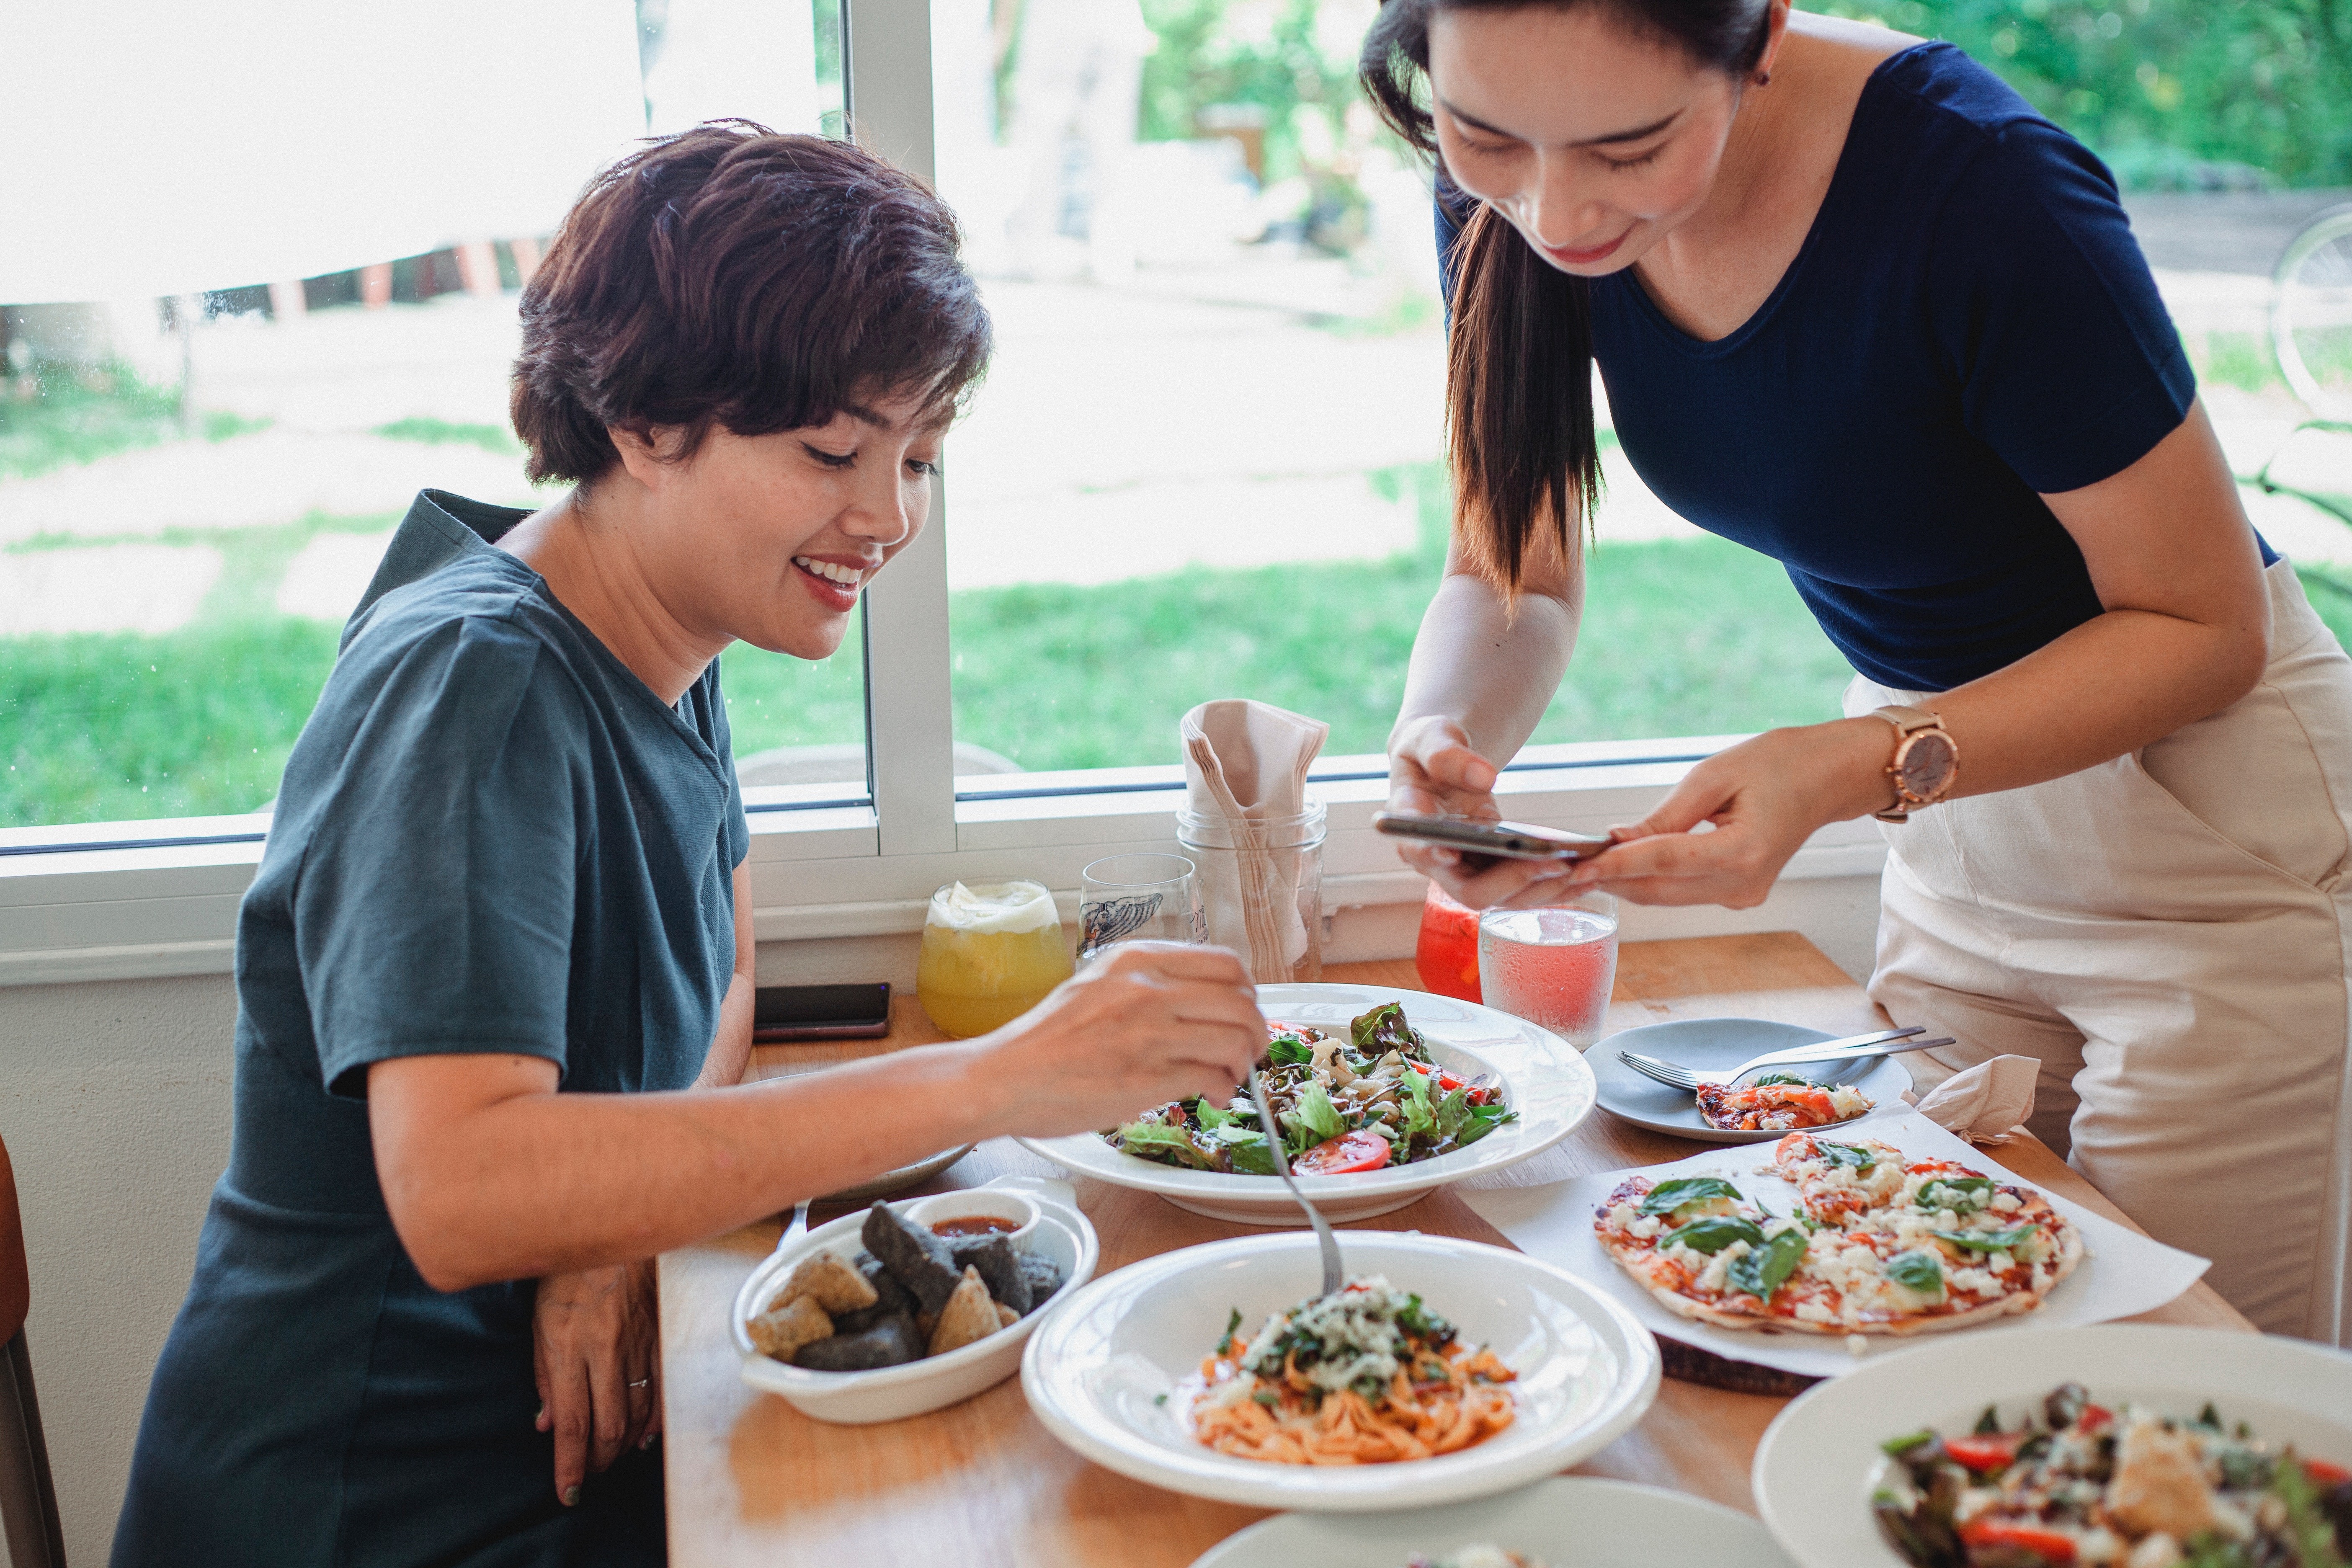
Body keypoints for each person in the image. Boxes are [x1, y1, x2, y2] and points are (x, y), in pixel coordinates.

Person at [111, 124, 1266, 1565]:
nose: (889, 515)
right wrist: (997, 1075)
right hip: (377, 1508)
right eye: (836, 451)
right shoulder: (474, 685)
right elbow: (462, 1192)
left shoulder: (662, 626)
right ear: (645, 425)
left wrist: (614, 1232)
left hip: (567, 1463)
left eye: (919, 456)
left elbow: (720, 957)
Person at [1363, 0, 2352, 1344]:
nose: (1559, 212)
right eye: (1486, 136)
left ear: (1756, 32)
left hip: (2210, 837)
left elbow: (2202, 626)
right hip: (1950, 817)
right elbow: (1514, 576)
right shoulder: (1520, 178)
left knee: (2184, 1388)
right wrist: (1447, 732)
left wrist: (1853, 769)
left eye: (1632, 149)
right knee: (1903, 1326)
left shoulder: (1983, 190)